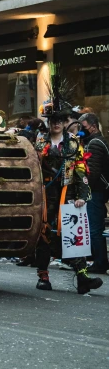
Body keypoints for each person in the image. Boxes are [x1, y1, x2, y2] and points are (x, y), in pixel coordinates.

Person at [34, 110, 103, 294]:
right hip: (46, 193)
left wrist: (82, 195)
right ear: (49, 123)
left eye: (59, 121)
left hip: (68, 192)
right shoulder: (40, 141)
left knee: (74, 233)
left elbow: (81, 168)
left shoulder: (73, 142)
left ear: (64, 123)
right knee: (45, 231)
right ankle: (43, 276)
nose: (56, 124)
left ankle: (82, 277)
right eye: (53, 120)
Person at [79, 112, 109, 274]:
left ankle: (100, 262)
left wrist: (84, 190)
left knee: (94, 228)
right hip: (97, 190)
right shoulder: (94, 142)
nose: (81, 131)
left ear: (93, 126)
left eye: (83, 127)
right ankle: (98, 259)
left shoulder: (95, 143)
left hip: (96, 191)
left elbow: (93, 172)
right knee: (93, 226)